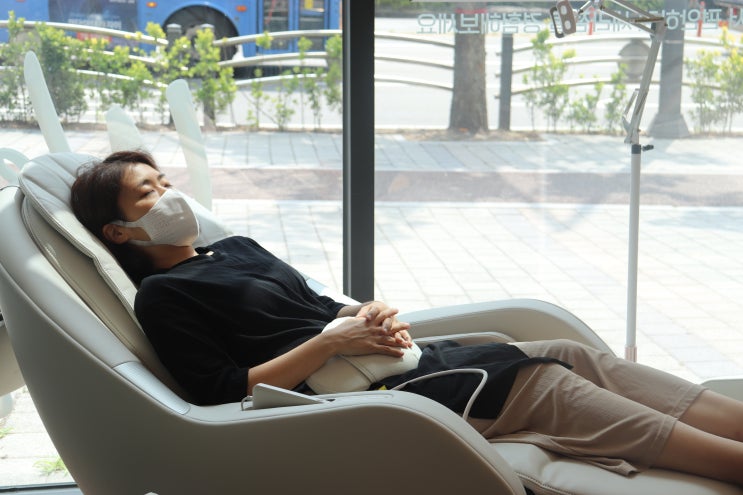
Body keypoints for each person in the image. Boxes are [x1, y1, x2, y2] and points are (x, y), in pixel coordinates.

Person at [71, 150, 743, 486]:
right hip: (354, 400)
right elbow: (218, 391)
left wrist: (367, 316)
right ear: (118, 232)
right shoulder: (162, 296)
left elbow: (319, 305)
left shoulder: (237, 247)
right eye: (146, 193)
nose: (168, 195)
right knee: (544, 383)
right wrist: (330, 342)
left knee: (569, 353)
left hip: (389, 363)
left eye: (164, 181)